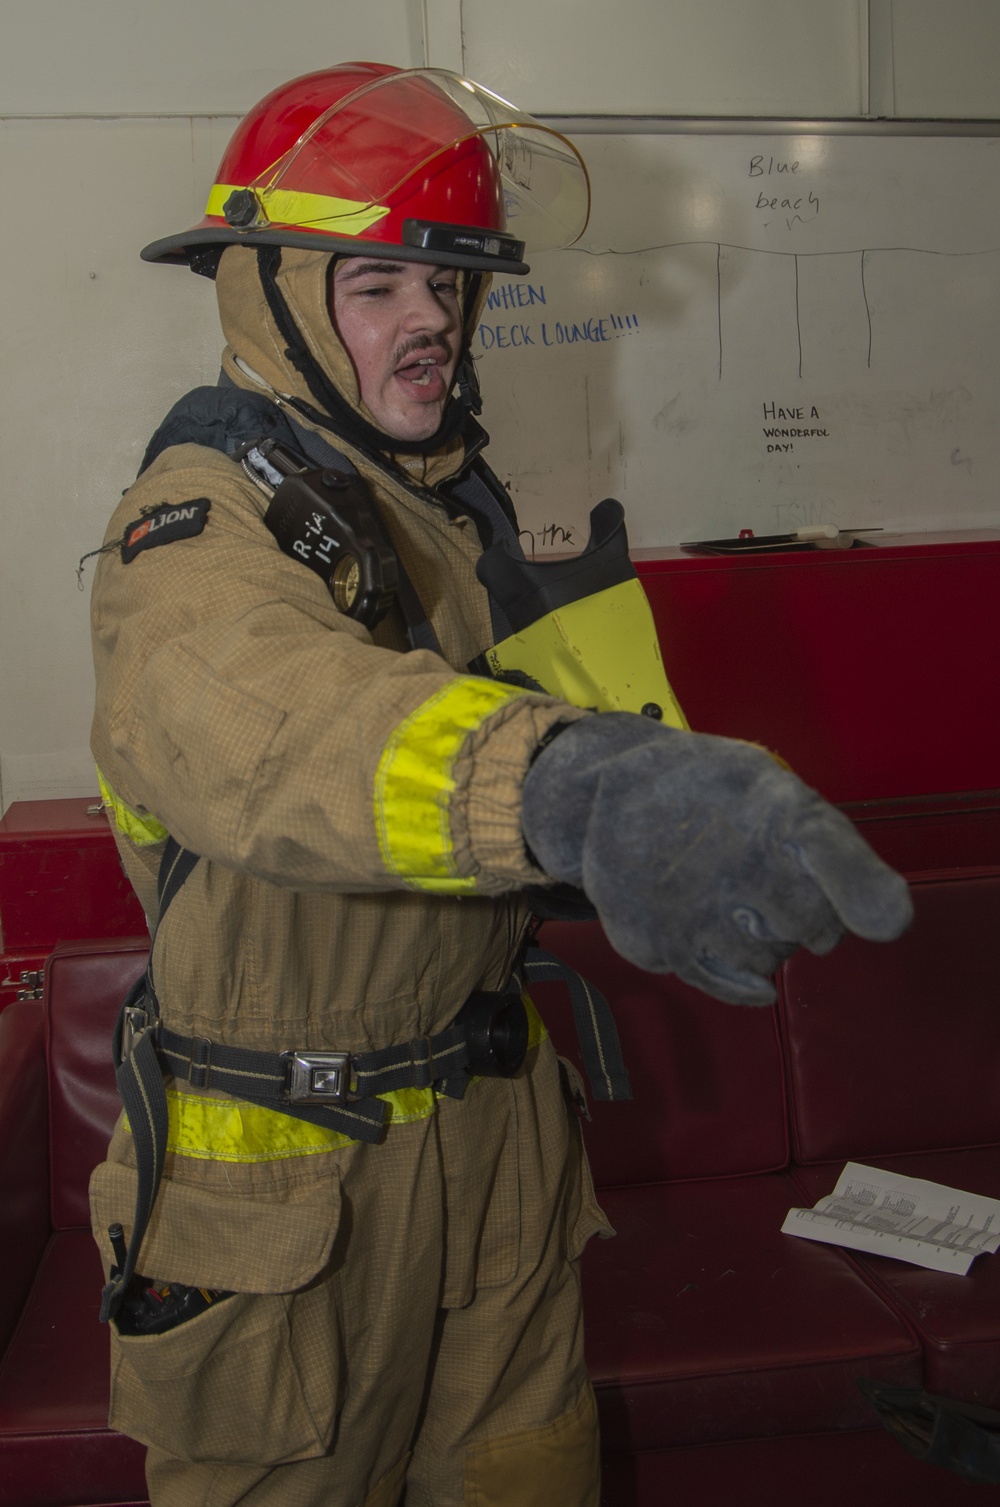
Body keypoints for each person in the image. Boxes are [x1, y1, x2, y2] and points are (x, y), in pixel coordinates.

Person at [87, 63, 913, 1507]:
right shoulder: (196, 531)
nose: (429, 325)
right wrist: (569, 789)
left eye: (447, 289)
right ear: (263, 299)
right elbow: (281, 731)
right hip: (294, 1200)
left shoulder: (437, 510)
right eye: (374, 289)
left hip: (498, 1143)